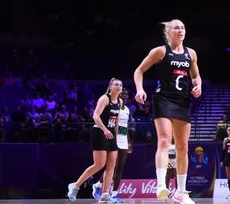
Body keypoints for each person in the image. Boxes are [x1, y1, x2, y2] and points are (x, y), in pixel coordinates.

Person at [134, 19, 202, 204]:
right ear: (168, 32)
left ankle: (181, 192)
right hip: (163, 99)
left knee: (183, 146)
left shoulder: (191, 54)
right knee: (164, 140)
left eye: (182, 27)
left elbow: (196, 76)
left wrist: (198, 87)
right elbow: (139, 71)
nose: (180, 30)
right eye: (176, 28)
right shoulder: (160, 52)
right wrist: (140, 89)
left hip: (183, 102)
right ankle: (161, 186)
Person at [67, 78, 123, 202]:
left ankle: (105, 194)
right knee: (99, 164)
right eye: (116, 84)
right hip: (100, 131)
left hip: (111, 134)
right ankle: (75, 186)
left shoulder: (120, 101)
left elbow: (117, 119)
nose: (118, 87)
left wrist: (116, 134)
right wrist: (105, 130)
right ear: (110, 87)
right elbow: (95, 116)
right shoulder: (104, 98)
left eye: (120, 85)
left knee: (111, 166)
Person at [93, 88, 133, 203]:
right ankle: (99, 185)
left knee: (120, 167)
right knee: (111, 167)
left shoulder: (127, 109)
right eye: (122, 94)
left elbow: (126, 126)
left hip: (123, 140)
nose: (124, 96)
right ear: (118, 95)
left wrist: (129, 141)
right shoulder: (114, 107)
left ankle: (115, 194)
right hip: (113, 138)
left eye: (126, 95)